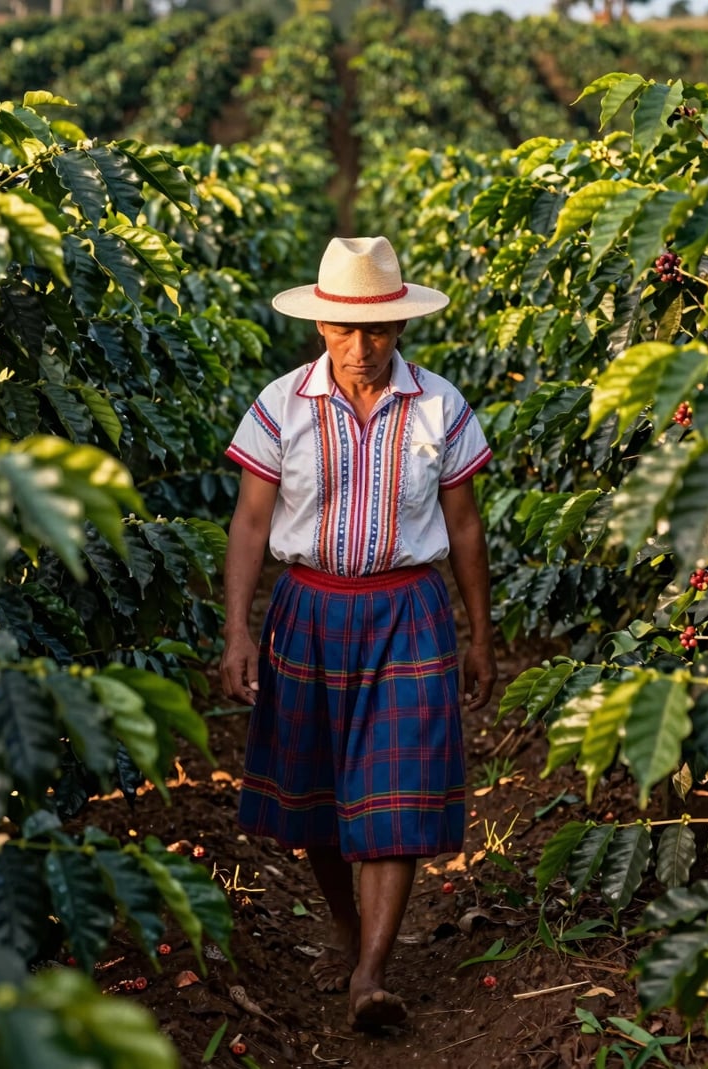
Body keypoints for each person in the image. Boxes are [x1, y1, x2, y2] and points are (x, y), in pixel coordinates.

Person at [220, 235, 496, 1031]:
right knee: (319, 796)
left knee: (396, 788)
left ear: (401, 329)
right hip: (308, 608)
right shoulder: (281, 405)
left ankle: (372, 971)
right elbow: (249, 522)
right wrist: (238, 627)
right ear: (321, 328)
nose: (361, 347)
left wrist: (480, 635)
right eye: (345, 330)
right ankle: (348, 932)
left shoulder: (440, 407)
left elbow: (466, 528)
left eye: (376, 331)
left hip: (408, 609)